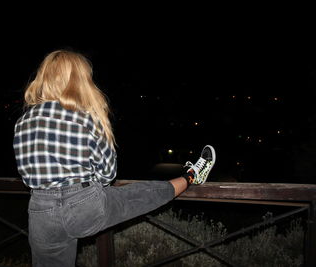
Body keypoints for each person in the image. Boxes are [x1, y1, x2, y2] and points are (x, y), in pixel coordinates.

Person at [13, 50, 216, 267]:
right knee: (139, 194)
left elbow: (27, 175)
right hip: (83, 207)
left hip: (41, 212)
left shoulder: (23, 121)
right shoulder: (86, 117)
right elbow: (107, 174)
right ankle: (193, 176)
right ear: (80, 80)